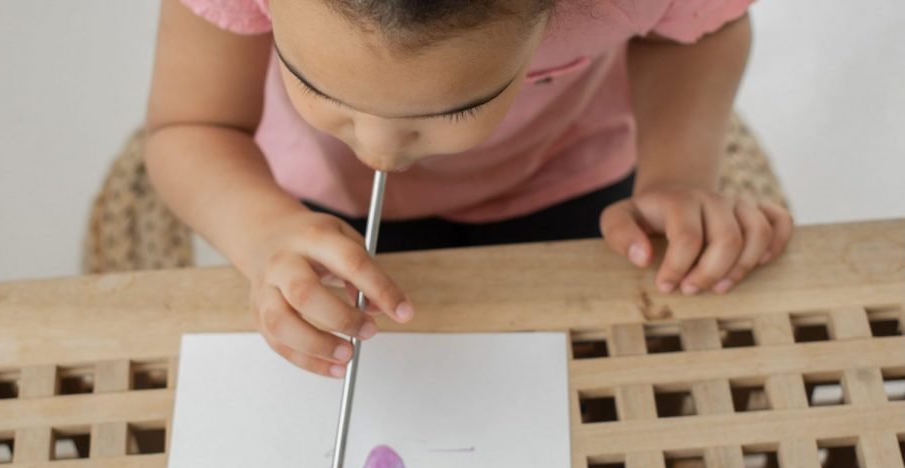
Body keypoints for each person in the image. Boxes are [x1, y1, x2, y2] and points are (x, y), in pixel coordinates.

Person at [145, 0, 793, 377]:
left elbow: (700, 32)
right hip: (315, 210)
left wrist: (679, 172)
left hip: (563, 177)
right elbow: (189, 128)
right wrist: (262, 233)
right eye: (316, 85)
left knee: (580, 377)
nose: (379, 151)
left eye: (452, 109)